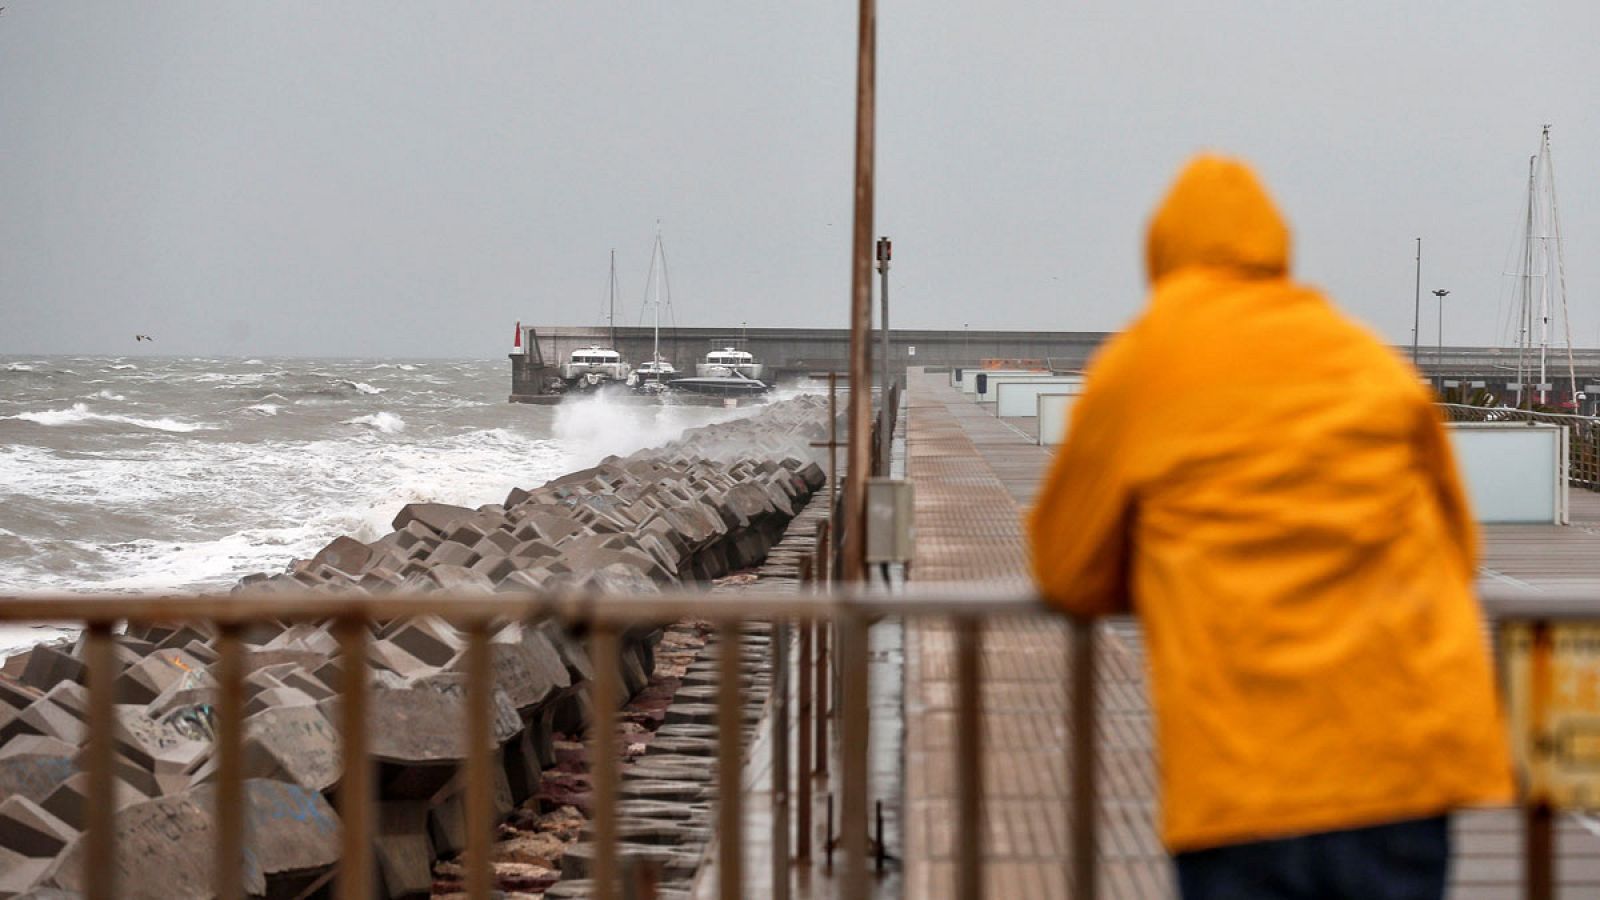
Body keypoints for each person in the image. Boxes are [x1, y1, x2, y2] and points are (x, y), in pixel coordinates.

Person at [1027, 155, 1512, 899]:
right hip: (1405, 762)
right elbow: (1460, 548)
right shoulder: (1365, 359)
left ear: (1161, 255)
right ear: (1275, 247)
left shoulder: (1140, 366)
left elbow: (1065, 568)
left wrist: (1169, 569)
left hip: (1246, 775)